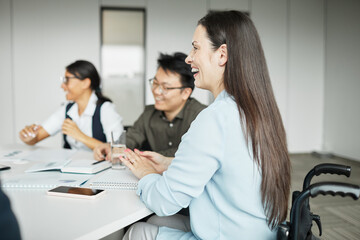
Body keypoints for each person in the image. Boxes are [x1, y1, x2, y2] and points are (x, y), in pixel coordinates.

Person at [120, 11, 291, 239]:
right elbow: (230, 166)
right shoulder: (257, 110)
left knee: (139, 231)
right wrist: (169, 164)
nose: (189, 58)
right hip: (258, 231)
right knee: (156, 221)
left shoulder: (214, 118)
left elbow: (165, 201)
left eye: (196, 48)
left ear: (222, 55)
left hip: (230, 234)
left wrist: (146, 173)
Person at [93, 52, 206, 159]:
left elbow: (190, 152)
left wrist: (144, 156)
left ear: (185, 93)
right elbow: (131, 138)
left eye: (165, 87)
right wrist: (112, 146)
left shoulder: (201, 115)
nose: (156, 91)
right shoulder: (149, 113)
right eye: (155, 83)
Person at [19, 60, 123, 151]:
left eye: (67, 80)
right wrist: (28, 137)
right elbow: (36, 139)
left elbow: (118, 150)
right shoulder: (67, 109)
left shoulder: (106, 109)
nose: (62, 86)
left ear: (85, 83)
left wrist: (80, 136)